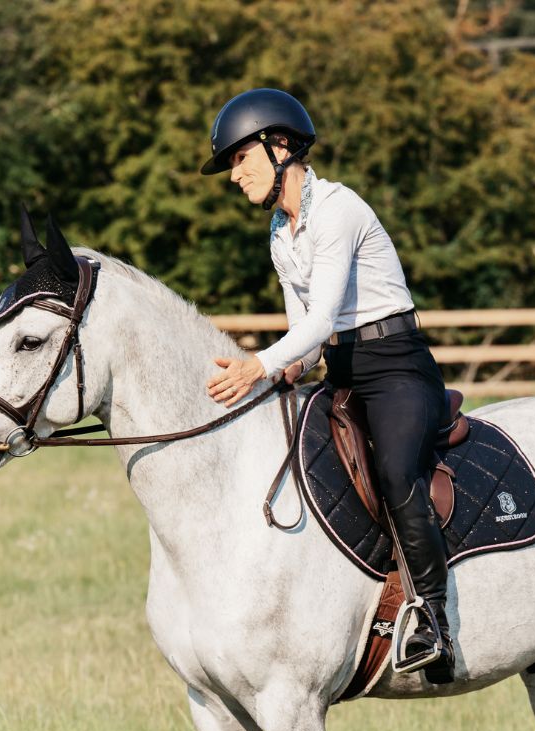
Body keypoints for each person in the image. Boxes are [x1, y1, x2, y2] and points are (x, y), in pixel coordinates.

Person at [201, 87, 453, 683]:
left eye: (241, 158)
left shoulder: (340, 209)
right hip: (339, 371)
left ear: (280, 145)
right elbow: (307, 333)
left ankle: (434, 620)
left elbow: (320, 316)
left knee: (394, 471)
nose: (234, 175)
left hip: (396, 367)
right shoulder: (278, 234)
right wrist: (288, 366)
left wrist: (258, 364)